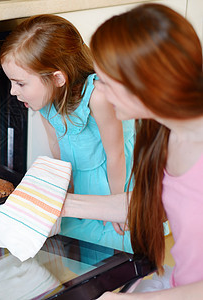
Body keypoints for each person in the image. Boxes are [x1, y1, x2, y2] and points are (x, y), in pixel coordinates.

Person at [67, 3, 203, 298]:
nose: (99, 90)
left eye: (106, 81)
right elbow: (152, 204)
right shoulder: (164, 133)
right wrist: (60, 206)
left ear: (145, 83)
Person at [0, 14, 135, 253]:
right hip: (80, 179)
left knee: (113, 243)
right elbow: (56, 146)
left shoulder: (98, 97)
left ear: (58, 78)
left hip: (114, 179)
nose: (12, 91)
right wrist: (65, 188)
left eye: (20, 84)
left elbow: (116, 156)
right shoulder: (43, 100)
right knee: (82, 244)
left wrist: (117, 207)